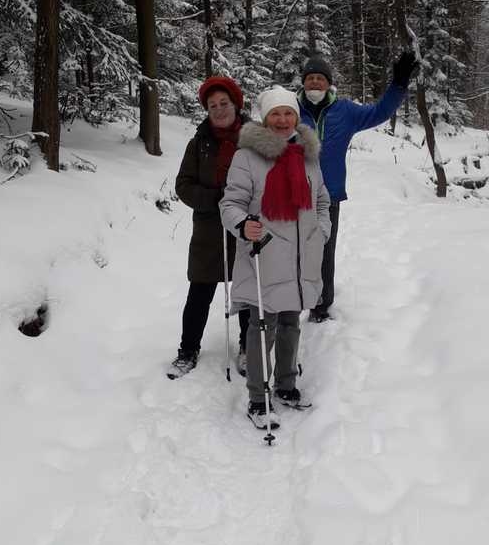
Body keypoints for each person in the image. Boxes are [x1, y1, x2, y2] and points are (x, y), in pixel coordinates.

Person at [220, 87, 331, 428]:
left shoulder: (308, 156)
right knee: (261, 327)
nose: (283, 120)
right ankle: (258, 398)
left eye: (288, 113)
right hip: (265, 254)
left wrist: (321, 231)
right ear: (265, 118)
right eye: (275, 114)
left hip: (300, 257)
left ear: (296, 117)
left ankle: (286, 384)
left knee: (290, 324)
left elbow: (322, 200)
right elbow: (230, 204)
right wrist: (243, 225)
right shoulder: (247, 157)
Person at [298, 51, 416, 321]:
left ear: (328, 83)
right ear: (303, 82)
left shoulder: (345, 111)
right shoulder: (291, 110)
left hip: (328, 195)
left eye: (320, 78)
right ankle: (292, 300)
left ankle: (320, 305)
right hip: (295, 194)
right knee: (293, 250)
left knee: (324, 251)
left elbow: (379, 112)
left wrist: (398, 85)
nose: (314, 82)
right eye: (310, 78)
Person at [168, 76, 251, 379]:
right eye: (212, 105)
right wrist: (214, 199)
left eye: (223, 103)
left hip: (244, 226)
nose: (218, 109)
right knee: (199, 292)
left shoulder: (254, 139)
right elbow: (183, 185)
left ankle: (248, 347)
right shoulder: (198, 143)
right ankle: (188, 350)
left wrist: (243, 202)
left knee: (246, 292)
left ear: (236, 104)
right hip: (208, 230)